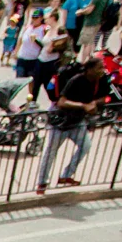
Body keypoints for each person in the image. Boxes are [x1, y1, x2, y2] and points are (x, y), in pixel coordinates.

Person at [35, 56, 106, 196]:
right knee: (51, 152)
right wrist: (83, 106)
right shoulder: (76, 80)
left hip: (77, 122)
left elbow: (104, 97)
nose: (102, 70)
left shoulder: (101, 80)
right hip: (61, 122)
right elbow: (61, 102)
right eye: (99, 68)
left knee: (85, 146)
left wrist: (94, 103)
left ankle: (66, 175)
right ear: (89, 69)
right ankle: (42, 182)